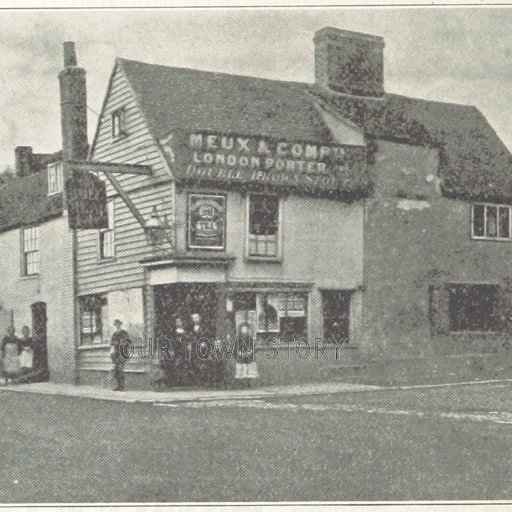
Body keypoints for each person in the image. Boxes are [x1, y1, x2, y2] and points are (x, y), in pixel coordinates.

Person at [190, 312, 214, 387]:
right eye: (193, 318)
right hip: (194, 349)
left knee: (205, 365)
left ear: (200, 318)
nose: (195, 319)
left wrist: (204, 343)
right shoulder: (190, 328)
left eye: (196, 318)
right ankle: (196, 382)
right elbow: (188, 337)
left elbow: (208, 336)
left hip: (203, 349)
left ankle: (206, 382)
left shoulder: (204, 327)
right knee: (194, 365)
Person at [235, 322, 259, 389]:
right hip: (241, 359)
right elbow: (235, 349)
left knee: (250, 373)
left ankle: (249, 385)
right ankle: (242, 386)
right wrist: (240, 354)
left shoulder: (250, 339)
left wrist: (249, 353)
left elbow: (253, 348)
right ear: (240, 329)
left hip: (249, 359)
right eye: (243, 328)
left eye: (245, 328)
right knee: (241, 373)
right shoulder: (238, 339)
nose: (244, 330)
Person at [110, 319, 131, 391]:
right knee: (116, 370)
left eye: (118, 324)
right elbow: (112, 344)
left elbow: (127, 342)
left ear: (120, 325)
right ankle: (118, 385)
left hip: (122, 353)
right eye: (115, 325)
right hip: (116, 354)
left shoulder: (124, 333)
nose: (117, 326)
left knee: (121, 369)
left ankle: (122, 386)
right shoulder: (114, 334)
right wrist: (112, 352)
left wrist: (120, 344)